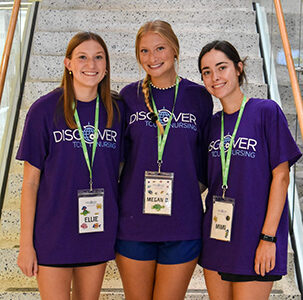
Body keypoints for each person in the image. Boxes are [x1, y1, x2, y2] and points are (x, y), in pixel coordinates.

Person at [16, 31, 123, 300]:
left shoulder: (116, 112)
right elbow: (30, 183)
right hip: (53, 233)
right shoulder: (43, 110)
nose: (91, 65)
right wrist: (26, 244)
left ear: (106, 66)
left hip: (96, 230)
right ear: (68, 64)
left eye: (98, 57)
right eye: (82, 57)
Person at [115, 20, 213, 300]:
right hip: (134, 222)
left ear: (175, 50)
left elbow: (205, 157)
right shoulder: (128, 97)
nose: (152, 57)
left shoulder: (199, 97)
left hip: (183, 222)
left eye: (160, 48)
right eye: (144, 51)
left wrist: (183, 191)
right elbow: (121, 161)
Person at [197, 40, 302, 300]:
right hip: (216, 238)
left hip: (255, 238)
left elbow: (281, 177)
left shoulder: (266, 112)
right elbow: (201, 182)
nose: (215, 77)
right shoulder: (211, 124)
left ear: (239, 68)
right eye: (207, 72)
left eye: (222, 67)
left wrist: (268, 239)